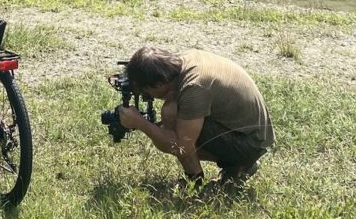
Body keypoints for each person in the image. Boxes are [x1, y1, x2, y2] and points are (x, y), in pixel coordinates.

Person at [117, 46, 274, 188]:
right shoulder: (185, 59)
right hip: (248, 133)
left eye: (145, 91)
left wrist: (141, 123)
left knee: (173, 121)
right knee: (172, 115)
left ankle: (197, 181)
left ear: (159, 85)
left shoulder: (194, 87)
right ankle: (237, 168)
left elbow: (181, 146)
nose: (146, 96)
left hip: (249, 143)